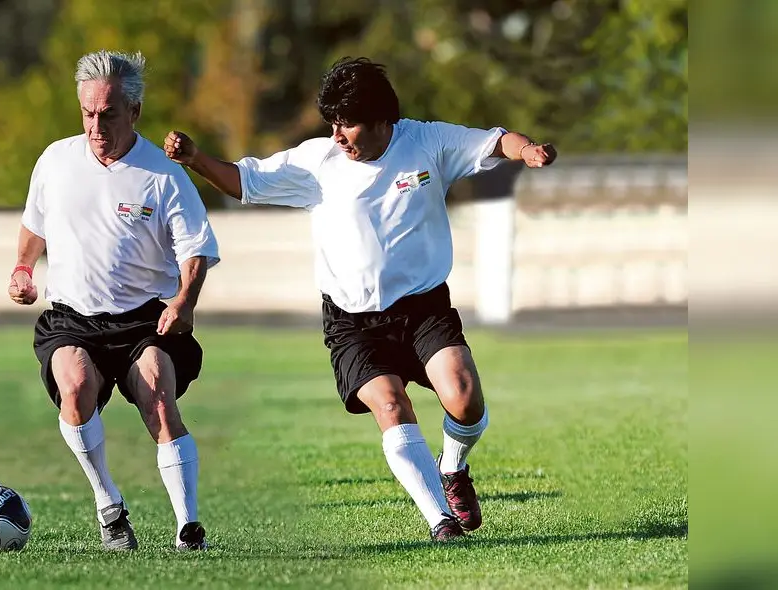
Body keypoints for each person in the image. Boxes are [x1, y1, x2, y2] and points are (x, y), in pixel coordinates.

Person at [163, 57, 555, 543]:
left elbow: (495, 139)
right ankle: (441, 522)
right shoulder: (318, 162)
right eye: (332, 123)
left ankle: (452, 469)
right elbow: (244, 181)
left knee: (465, 397)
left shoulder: (426, 142)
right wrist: (197, 158)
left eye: (347, 123)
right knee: (391, 405)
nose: (337, 135)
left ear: (382, 120)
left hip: (424, 308)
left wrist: (529, 150)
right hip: (353, 322)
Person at [9, 50, 220, 551]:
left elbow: (196, 249)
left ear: (135, 111)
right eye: (88, 113)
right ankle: (110, 507)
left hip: (145, 318)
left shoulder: (165, 175)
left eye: (108, 113)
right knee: (76, 388)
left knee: (157, 397)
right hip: (71, 319)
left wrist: (185, 301)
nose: (96, 126)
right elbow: (33, 226)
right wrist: (21, 268)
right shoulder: (55, 160)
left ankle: (188, 527)